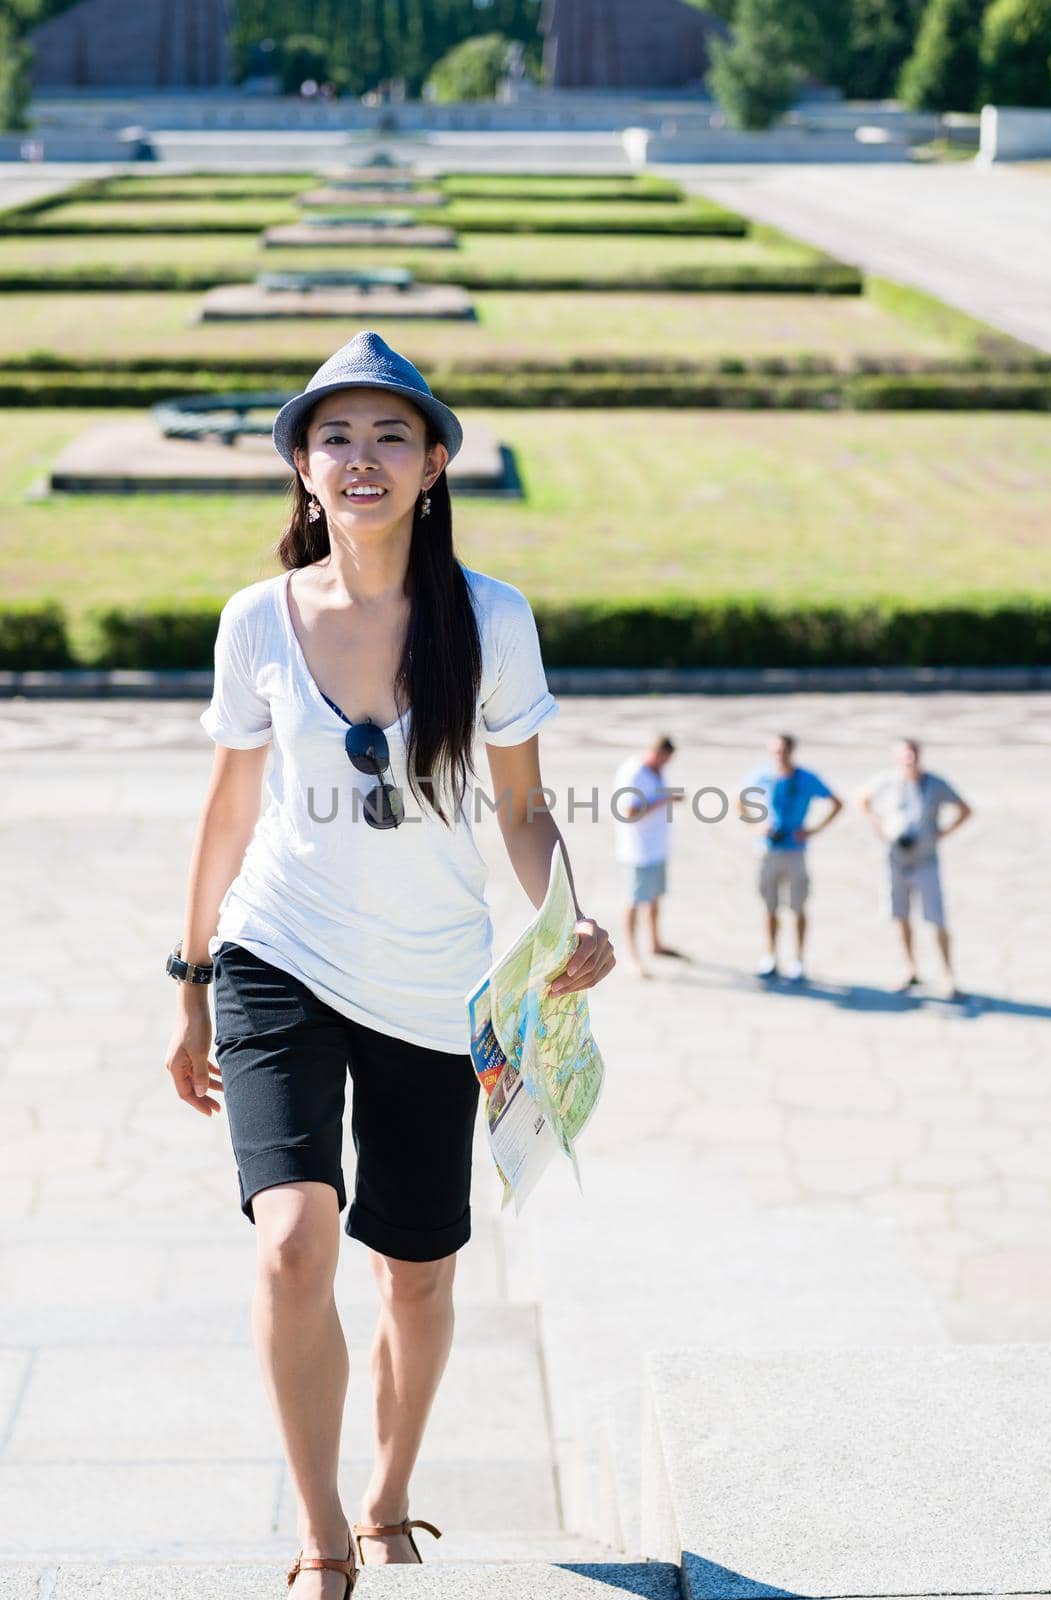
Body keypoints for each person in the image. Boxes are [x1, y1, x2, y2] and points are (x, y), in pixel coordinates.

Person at [163, 330, 615, 1597]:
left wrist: (569, 917)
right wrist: (191, 980)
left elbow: (521, 812)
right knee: (294, 1241)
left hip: (432, 980)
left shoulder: (490, 619)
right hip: (279, 953)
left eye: (389, 436)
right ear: (302, 471)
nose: (361, 459)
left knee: (417, 1272)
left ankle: (389, 1492)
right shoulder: (257, 620)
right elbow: (225, 811)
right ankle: (319, 1538)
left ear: (433, 465)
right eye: (335, 437)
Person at [858, 737, 972, 998]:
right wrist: (879, 827)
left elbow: (965, 809)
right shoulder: (886, 782)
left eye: (913, 755)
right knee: (901, 916)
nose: (909, 760)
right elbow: (862, 800)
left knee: (936, 918)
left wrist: (941, 834)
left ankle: (948, 974)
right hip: (896, 859)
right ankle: (911, 969)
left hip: (925, 860)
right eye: (904, 756)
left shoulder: (935, 784)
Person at [737, 732, 842, 982]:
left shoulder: (806, 778)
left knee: (798, 907)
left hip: (795, 850)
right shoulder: (762, 775)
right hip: (769, 848)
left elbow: (837, 802)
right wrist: (756, 825)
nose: (780, 755)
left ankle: (798, 959)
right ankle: (770, 956)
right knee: (770, 907)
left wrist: (813, 830)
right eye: (775, 751)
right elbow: (738, 800)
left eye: (783, 750)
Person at [612, 734, 686, 978]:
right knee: (633, 901)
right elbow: (630, 811)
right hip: (637, 851)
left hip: (656, 847)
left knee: (654, 898)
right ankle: (631, 954)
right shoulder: (634, 773)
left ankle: (655, 942)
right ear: (656, 752)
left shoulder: (655, 770)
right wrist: (664, 799)